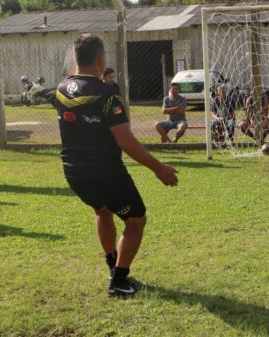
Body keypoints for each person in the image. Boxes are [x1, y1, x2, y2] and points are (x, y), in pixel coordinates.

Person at [53, 33, 178, 298]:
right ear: (101, 60)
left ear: (75, 59)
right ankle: (119, 282)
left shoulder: (61, 89)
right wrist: (159, 168)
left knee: (103, 211)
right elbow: (126, 141)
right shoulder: (107, 93)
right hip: (104, 171)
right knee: (135, 221)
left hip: (73, 171)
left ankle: (113, 265)